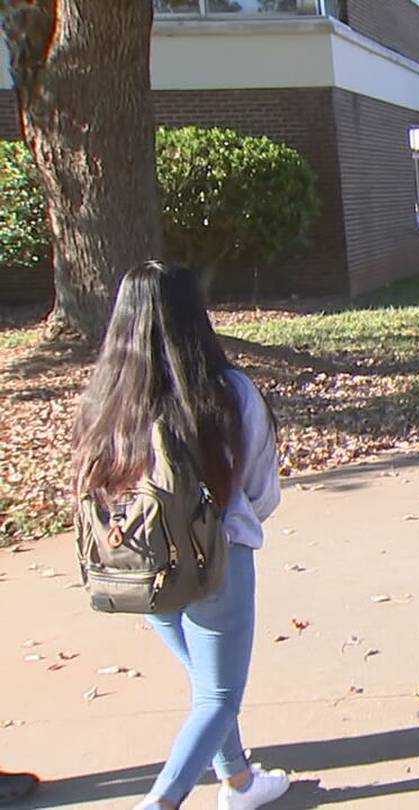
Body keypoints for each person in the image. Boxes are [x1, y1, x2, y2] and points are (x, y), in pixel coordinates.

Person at [72, 261, 288, 810]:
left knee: (206, 685)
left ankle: (239, 783)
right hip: (216, 560)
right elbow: (261, 491)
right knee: (218, 697)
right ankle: (161, 803)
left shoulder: (104, 401)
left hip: (135, 568)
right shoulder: (228, 392)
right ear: (196, 318)